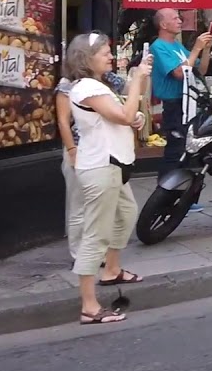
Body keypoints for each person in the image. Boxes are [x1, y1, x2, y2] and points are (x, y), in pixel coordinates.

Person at [62, 32, 152, 325]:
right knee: (96, 234)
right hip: (101, 166)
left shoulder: (95, 86)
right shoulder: (86, 86)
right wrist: (137, 79)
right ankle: (89, 306)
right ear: (86, 59)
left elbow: (121, 117)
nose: (110, 56)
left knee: (126, 214)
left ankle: (111, 270)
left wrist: (134, 116)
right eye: (105, 52)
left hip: (113, 164)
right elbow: (124, 116)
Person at [56, 51, 127, 263]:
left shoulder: (106, 79)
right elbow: (62, 120)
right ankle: (79, 254)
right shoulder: (67, 84)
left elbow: (130, 91)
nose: (111, 57)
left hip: (107, 152)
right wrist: (71, 150)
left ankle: (100, 252)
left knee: (110, 206)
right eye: (103, 53)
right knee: (80, 205)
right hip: (81, 149)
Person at [150, 8, 212, 211]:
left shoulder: (176, 45)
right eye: (175, 18)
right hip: (175, 105)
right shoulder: (159, 47)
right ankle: (164, 200)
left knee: (190, 151)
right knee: (175, 150)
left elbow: (199, 70)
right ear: (163, 24)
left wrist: (206, 50)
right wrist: (196, 48)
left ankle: (185, 199)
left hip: (190, 103)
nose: (180, 20)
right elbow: (180, 73)